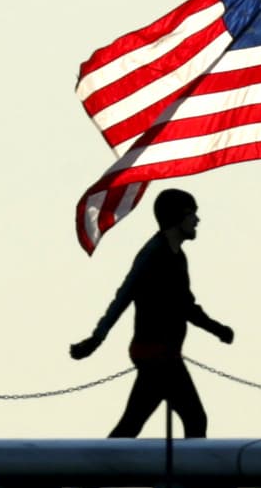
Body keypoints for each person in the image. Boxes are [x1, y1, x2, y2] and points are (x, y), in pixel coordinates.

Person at [67, 186, 233, 440]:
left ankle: (92, 478)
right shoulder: (154, 255)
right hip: (157, 356)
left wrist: (217, 329)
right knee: (194, 418)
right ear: (177, 217)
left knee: (132, 425)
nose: (197, 220)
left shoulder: (177, 257)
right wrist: (96, 339)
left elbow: (185, 304)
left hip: (162, 355)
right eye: (191, 214)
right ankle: (193, 478)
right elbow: (125, 296)